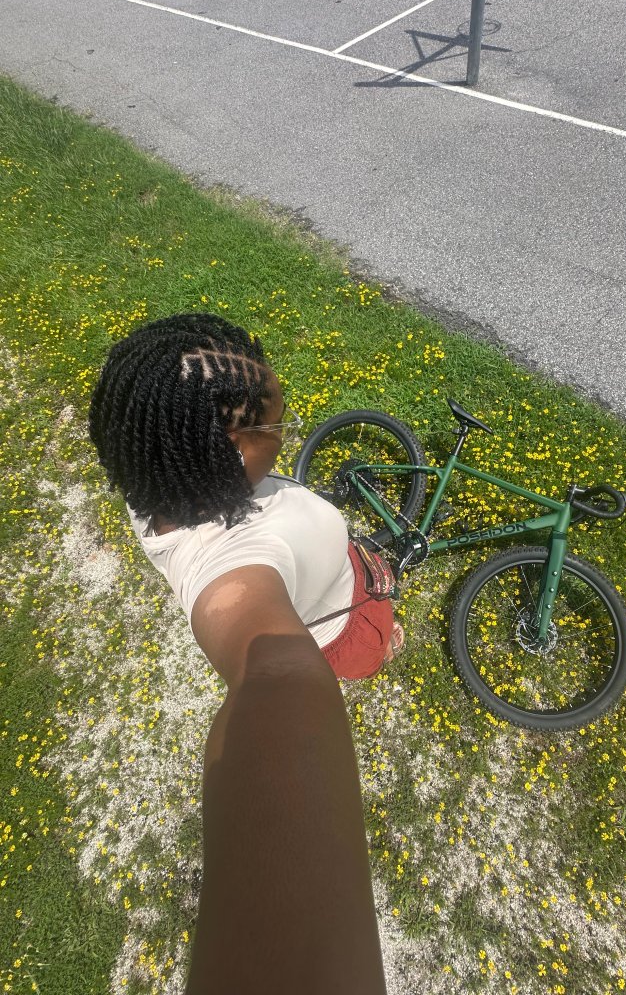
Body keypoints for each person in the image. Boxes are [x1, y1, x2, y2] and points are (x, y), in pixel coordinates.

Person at [88, 311, 396, 992]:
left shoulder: (162, 473)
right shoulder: (232, 570)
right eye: (278, 423)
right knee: (368, 651)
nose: (287, 432)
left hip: (338, 576)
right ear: (230, 448)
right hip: (341, 628)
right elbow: (277, 673)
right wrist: (292, 679)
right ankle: (381, 640)